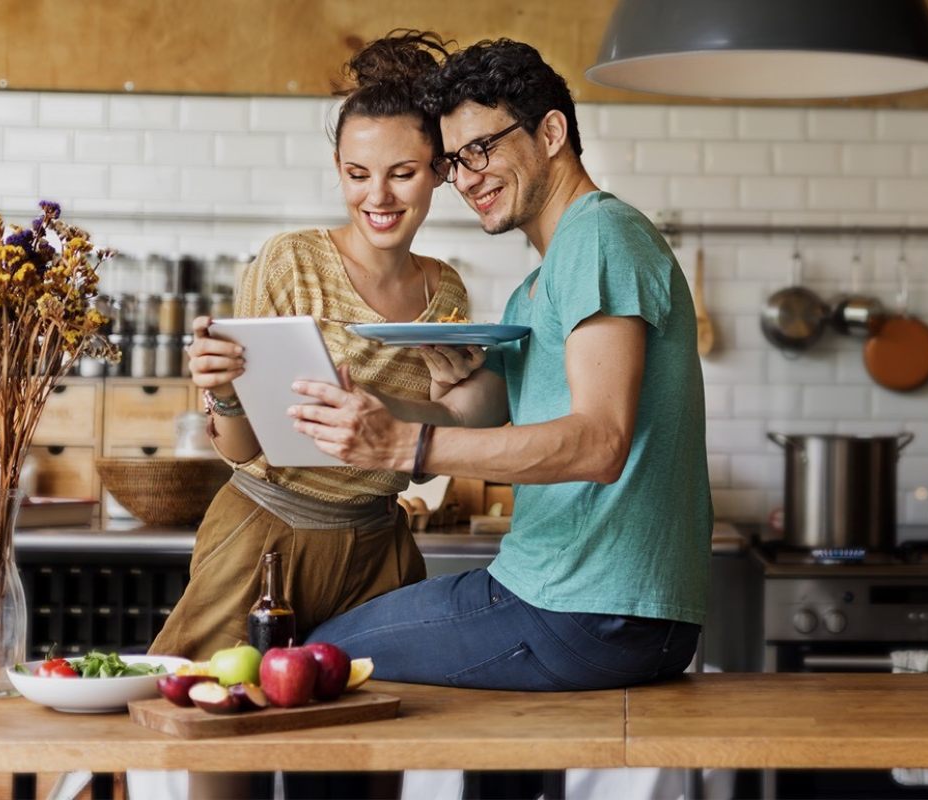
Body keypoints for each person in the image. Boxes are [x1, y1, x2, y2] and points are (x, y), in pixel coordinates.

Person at [291, 38, 710, 691]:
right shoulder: (536, 284)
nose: (465, 178)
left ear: (550, 132)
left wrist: (407, 444)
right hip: (569, 600)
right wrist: (389, 402)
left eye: (481, 149)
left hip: (588, 608)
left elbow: (600, 445)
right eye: (454, 161)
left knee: (315, 658)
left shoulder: (601, 236)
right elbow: (481, 414)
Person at [149, 31, 470, 663]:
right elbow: (242, 449)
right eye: (357, 174)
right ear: (338, 171)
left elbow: (427, 464)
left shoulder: (446, 290)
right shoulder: (289, 263)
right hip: (263, 536)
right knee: (218, 722)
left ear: (439, 170)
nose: (377, 197)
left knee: (371, 737)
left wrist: (445, 400)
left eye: (402, 174)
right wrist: (222, 392)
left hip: (381, 549)